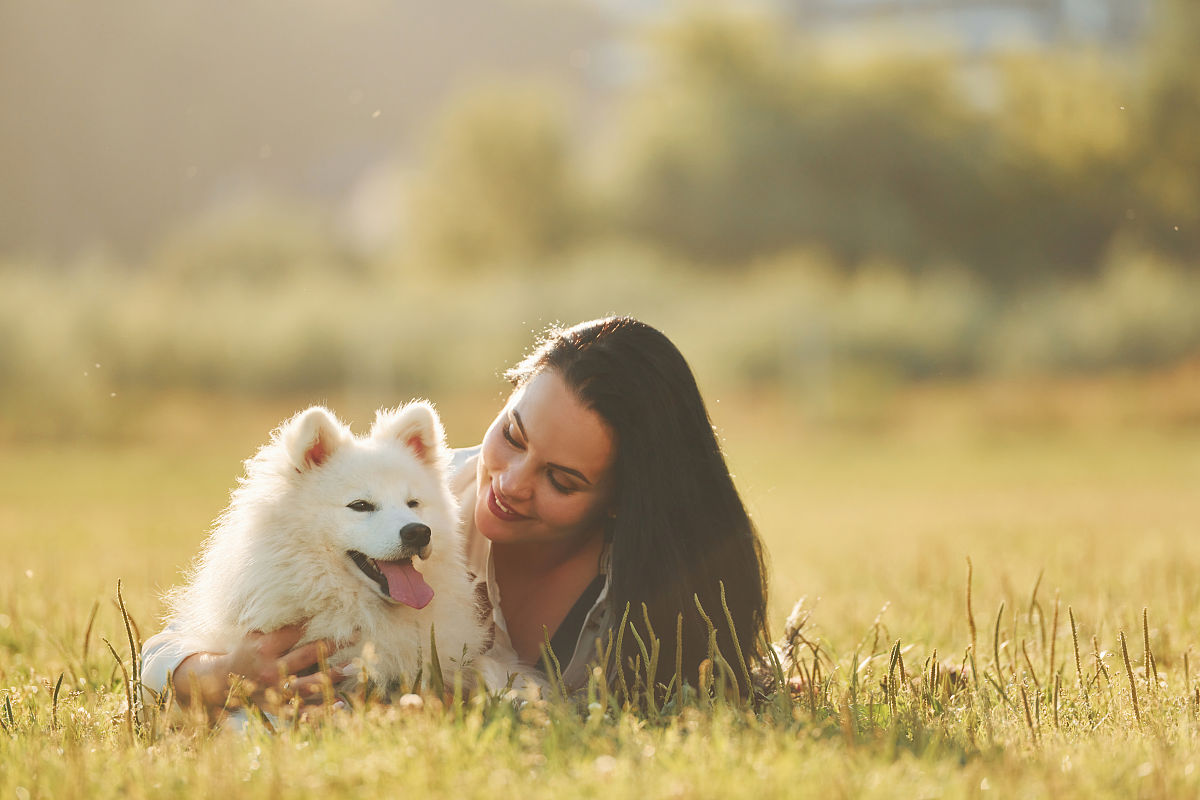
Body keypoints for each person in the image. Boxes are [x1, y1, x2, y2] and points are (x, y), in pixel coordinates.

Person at [141, 316, 769, 710]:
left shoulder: (656, 585)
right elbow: (171, 648)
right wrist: (220, 674)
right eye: (514, 436)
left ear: (625, 499)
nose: (511, 484)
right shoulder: (420, 491)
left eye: (561, 479)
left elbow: (694, 689)